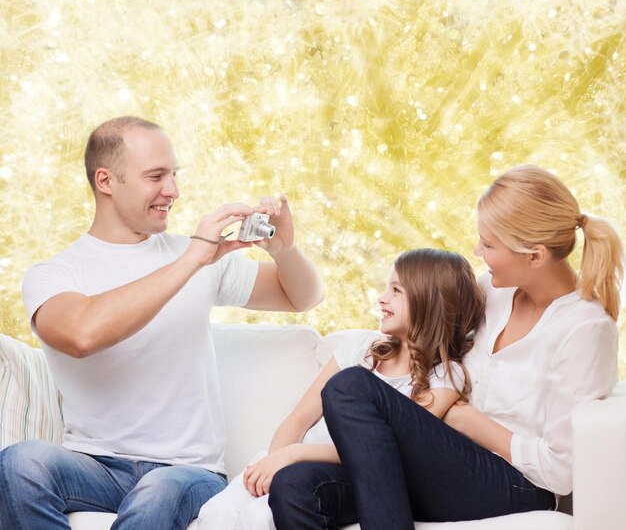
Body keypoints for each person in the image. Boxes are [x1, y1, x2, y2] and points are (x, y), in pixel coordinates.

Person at [0, 116, 324, 530]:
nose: (173, 191)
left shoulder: (202, 258)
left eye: (173, 175)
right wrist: (191, 258)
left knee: (158, 493)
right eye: (156, 176)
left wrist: (286, 250)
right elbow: (82, 334)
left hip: (188, 473)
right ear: (106, 181)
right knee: (19, 463)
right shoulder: (54, 274)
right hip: (95, 466)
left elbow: (303, 296)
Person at [269, 165, 623, 530]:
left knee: (350, 386)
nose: (476, 250)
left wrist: (468, 421)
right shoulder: (492, 291)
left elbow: (560, 471)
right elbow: (428, 323)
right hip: (441, 460)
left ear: (534, 255)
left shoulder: (585, 329)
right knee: (293, 487)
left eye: (488, 245)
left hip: (514, 483)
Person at [195, 247, 486, 530]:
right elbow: (298, 420)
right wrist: (276, 460)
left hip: (341, 475)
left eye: (396, 291)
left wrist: (295, 456)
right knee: (230, 513)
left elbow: (383, 452)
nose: (381, 298)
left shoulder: (446, 378)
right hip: (290, 460)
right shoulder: (361, 348)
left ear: (429, 301)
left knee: (281, 500)